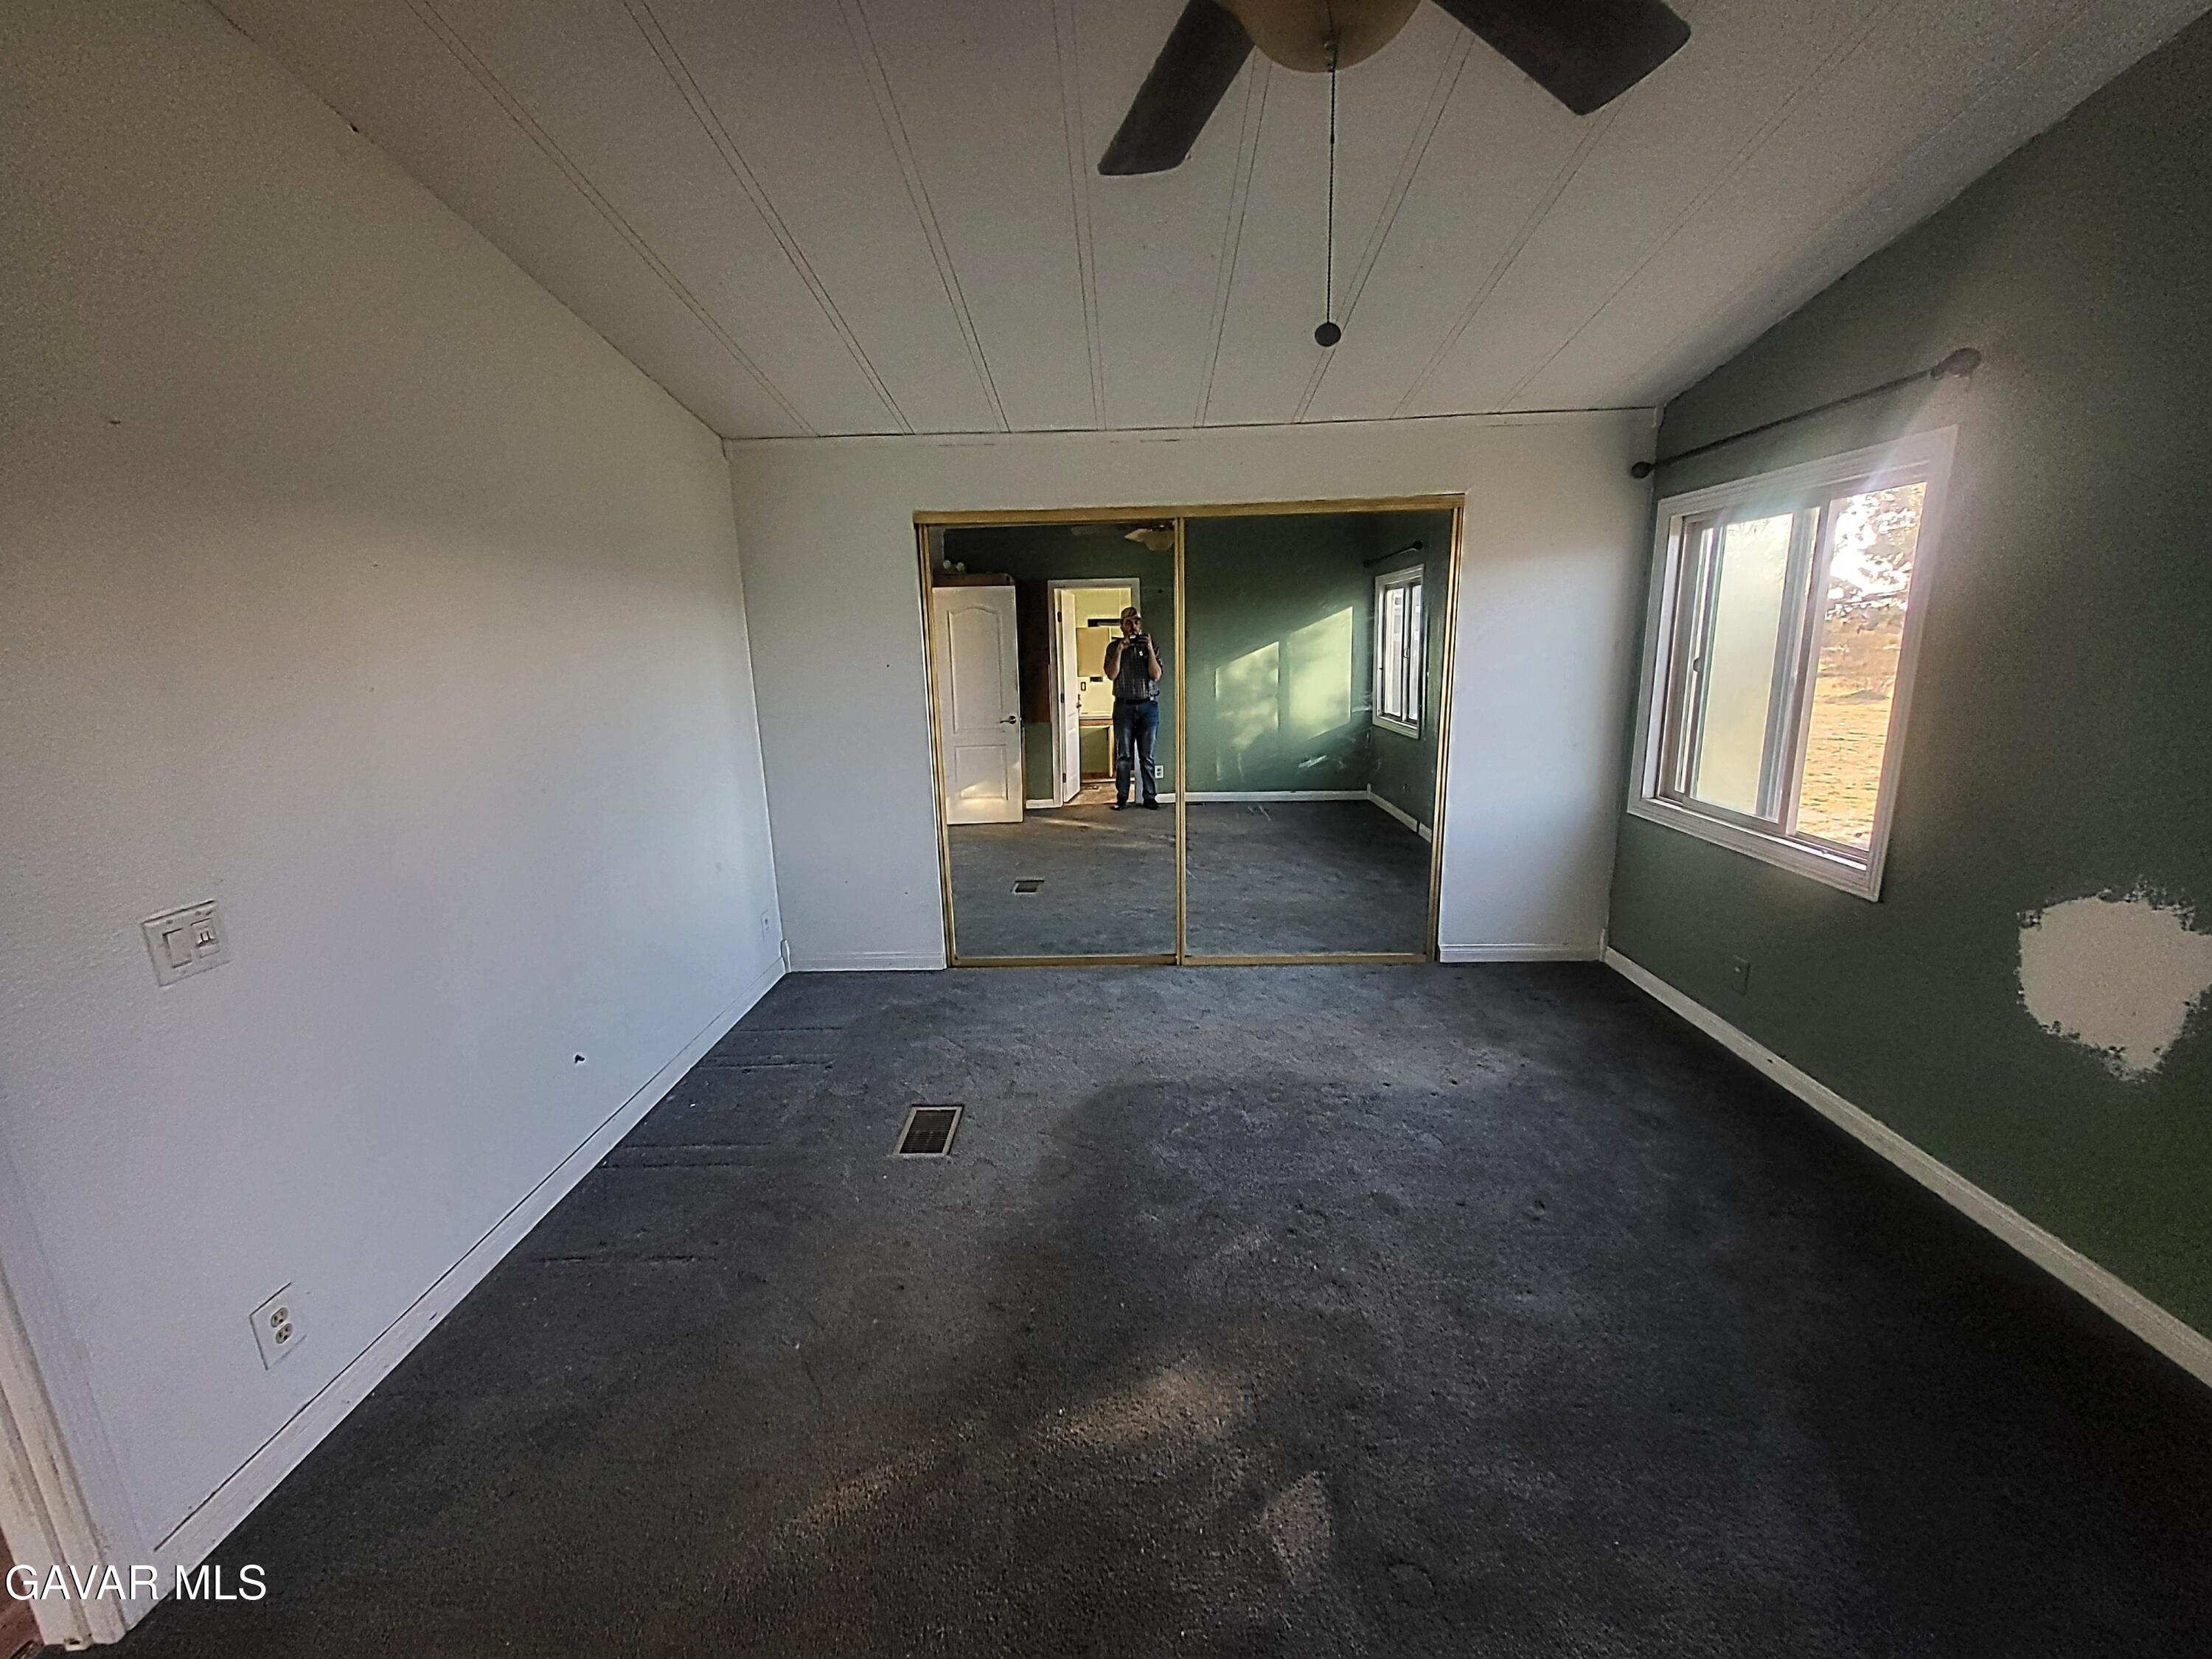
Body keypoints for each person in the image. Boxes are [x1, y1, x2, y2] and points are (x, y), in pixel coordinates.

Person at [1102, 606, 1162, 810]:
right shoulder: (1113, 647)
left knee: (1147, 755)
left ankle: (1150, 797)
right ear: (1121, 626)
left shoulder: (1150, 645)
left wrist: (1150, 650)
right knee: (1123, 755)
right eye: (1128, 622)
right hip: (1124, 707)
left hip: (1148, 706)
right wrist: (1120, 649)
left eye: (1136, 622)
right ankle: (1122, 797)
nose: (1133, 626)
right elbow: (1111, 675)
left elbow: (1156, 675)